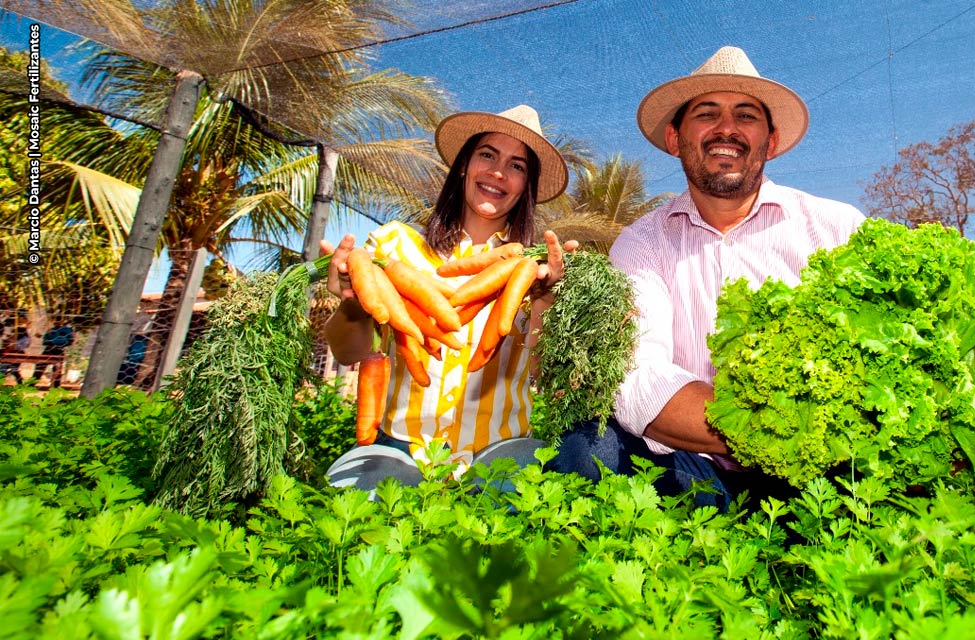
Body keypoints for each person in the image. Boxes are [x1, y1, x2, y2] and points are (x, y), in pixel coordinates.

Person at [548, 46, 866, 511]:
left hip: (829, 475)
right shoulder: (642, 245)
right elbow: (639, 378)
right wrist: (776, 427)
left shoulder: (837, 230)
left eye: (745, 115)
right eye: (706, 113)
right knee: (587, 446)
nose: (726, 129)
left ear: (770, 141)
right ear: (676, 138)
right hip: (698, 476)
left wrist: (815, 440)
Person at [322, 105, 577, 496]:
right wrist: (354, 302)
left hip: (502, 454)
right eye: (488, 155)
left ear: (526, 185)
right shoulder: (395, 247)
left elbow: (543, 372)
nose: (498, 172)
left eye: (517, 166)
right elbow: (346, 352)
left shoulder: (537, 267)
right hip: (402, 449)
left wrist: (545, 300)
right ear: (464, 165)